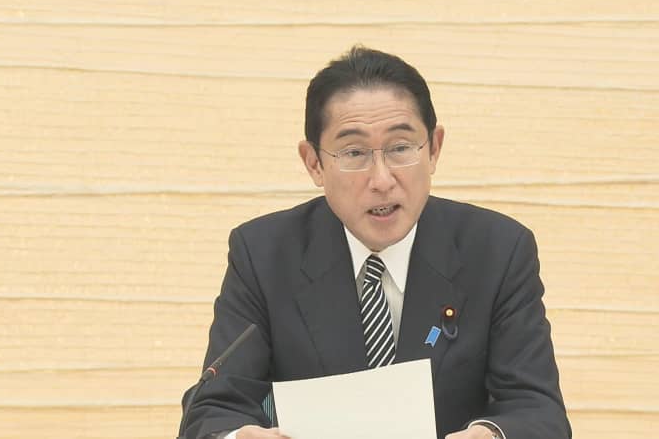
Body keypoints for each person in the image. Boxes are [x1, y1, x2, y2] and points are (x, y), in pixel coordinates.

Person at [180, 46, 571, 439]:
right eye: (354, 152)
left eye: (401, 148)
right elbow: (213, 409)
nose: (382, 180)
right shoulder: (263, 255)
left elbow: (538, 410)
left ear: (434, 148)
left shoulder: (498, 251)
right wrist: (234, 436)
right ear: (314, 163)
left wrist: (493, 433)